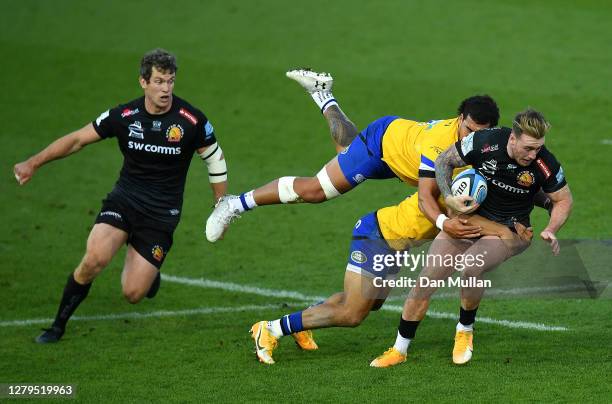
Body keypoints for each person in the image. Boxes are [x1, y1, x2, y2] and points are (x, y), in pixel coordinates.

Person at [13, 48, 229, 343]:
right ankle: (57, 326)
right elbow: (77, 140)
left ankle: (150, 272)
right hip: (124, 201)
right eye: (159, 81)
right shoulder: (124, 116)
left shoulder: (190, 120)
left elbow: (215, 160)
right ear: (143, 82)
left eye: (170, 81)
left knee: (133, 294)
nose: (166, 89)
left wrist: (221, 207)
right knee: (93, 261)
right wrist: (33, 162)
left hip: (160, 215)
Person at [369, 108, 573, 368]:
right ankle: (399, 349)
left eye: (538, 148)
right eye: (529, 148)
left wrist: (551, 228)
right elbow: (444, 160)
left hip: (512, 232)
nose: (534, 154)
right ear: (512, 138)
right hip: (470, 221)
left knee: (471, 265)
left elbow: (563, 199)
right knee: (426, 279)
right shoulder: (484, 141)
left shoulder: (545, 162)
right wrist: (449, 195)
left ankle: (465, 330)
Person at [205, 69, 502, 243]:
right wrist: (443, 223)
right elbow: (426, 197)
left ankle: (323, 94)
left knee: (346, 150)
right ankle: (236, 203)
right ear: (460, 118)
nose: (470, 137)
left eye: (478, 133)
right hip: (384, 146)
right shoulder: (440, 142)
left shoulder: (485, 142)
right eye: (467, 129)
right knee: (317, 190)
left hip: (401, 147)